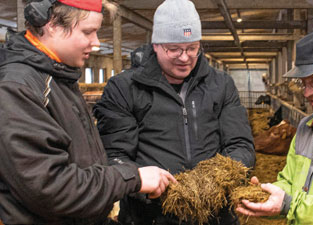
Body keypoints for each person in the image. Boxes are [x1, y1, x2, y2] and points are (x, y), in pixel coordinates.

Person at [0, 0, 176, 224]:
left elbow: (81, 163)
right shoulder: (18, 88)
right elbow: (51, 188)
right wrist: (133, 177)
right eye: (88, 32)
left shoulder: (59, 77)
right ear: (53, 25)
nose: (96, 43)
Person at [93, 0, 255, 224]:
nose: (185, 57)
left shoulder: (221, 84)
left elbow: (240, 144)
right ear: (156, 45)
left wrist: (223, 178)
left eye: (192, 48)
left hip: (215, 215)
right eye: (174, 49)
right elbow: (115, 155)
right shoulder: (124, 88)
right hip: (149, 216)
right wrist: (143, 184)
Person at [236, 31, 313, 224]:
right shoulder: (306, 127)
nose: (306, 93)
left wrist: (290, 205)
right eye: (302, 83)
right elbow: (289, 181)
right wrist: (267, 195)